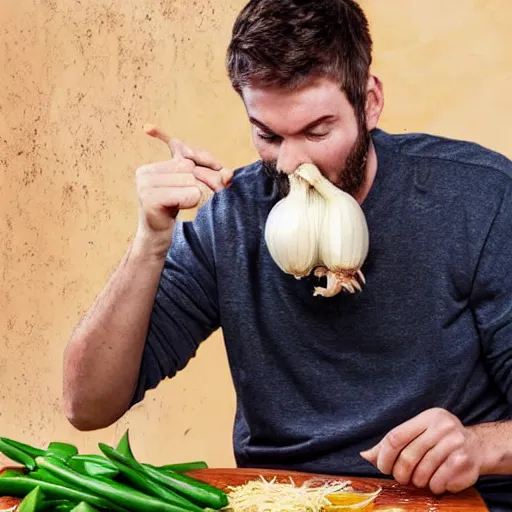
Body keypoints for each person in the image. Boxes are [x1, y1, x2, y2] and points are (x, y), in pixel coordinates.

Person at [62, 1, 512, 510]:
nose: (294, 163)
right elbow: (86, 406)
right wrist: (150, 240)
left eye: (318, 131)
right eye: (269, 135)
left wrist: (479, 446)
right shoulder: (232, 216)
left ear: (369, 102)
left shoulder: (479, 199)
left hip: (447, 501)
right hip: (279, 499)